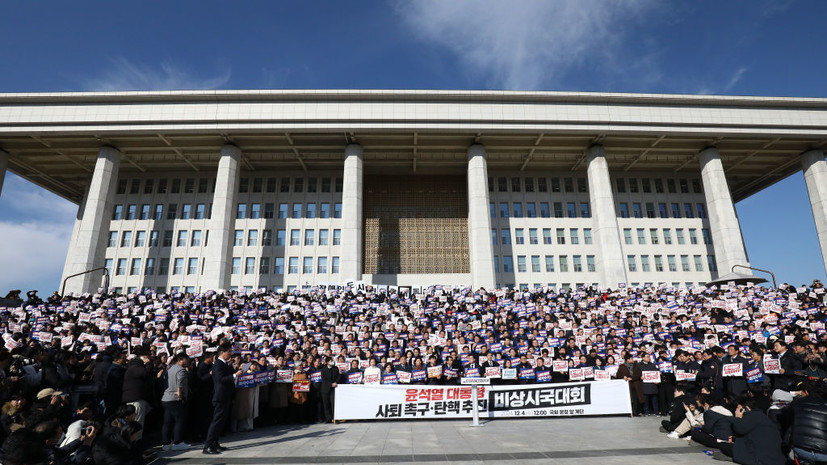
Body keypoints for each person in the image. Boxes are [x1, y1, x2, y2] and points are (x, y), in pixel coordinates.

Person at [711, 396, 786, 464]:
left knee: (724, 446)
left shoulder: (753, 415)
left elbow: (740, 429)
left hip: (762, 457)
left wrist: (737, 418)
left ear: (745, 408)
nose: (736, 410)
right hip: (771, 454)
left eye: (737, 407)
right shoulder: (759, 415)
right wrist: (735, 439)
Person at [203, 343, 240, 455]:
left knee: (221, 421)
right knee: (216, 421)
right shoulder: (217, 364)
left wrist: (234, 369)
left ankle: (215, 442)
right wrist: (235, 375)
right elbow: (221, 379)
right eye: (229, 351)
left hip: (226, 396)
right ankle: (207, 446)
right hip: (220, 396)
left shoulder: (224, 364)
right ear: (222, 352)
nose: (230, 353)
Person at [161, 353, 191, 451]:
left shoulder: (169, 369)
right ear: (180, 360)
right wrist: (180, 395)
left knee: (167, 422)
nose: (188, 362)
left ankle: (166, 444)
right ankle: (178, 442)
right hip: (175, 399)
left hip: (166, 398)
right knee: (179, 420)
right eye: (186, 359)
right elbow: (180, 383)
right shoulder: (181, 370)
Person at [320, 356, 339, 423]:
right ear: (327, 362)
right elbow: (324, 380)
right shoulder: (323, 369)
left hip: (333, 389)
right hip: (325, 389)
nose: (332, 362)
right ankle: (328, 418)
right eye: (331, 360)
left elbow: (338, 377)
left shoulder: (336, 368)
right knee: (326, 404)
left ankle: (335, 418)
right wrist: (330, 384)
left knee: (333, 403)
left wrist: (335, 382)